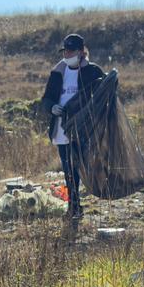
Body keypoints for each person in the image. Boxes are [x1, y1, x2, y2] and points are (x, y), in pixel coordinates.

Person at [41, 33, 105, 219]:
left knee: (84, 164)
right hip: (62, 127)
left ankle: (92, 197)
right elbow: (46, 99)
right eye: (65, 51)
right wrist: (52, 107)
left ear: (80, 52)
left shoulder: (92, 71)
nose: (66, 55)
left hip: (84, 128)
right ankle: (74, 205)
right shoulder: (58, 72)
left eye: (70, 51)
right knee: (69, 167)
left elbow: (103, 94)